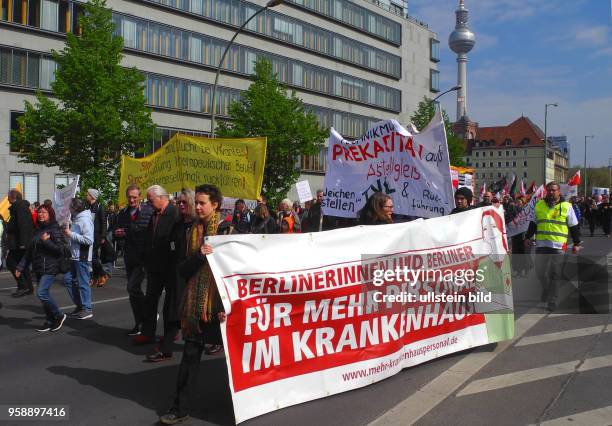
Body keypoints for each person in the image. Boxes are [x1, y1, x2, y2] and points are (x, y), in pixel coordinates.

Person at [159, 184, 226, 425]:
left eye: (202, 203)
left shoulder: (227, 230)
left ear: (215, 205)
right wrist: (200, 255)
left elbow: (233, 273)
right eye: (196, 202)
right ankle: (180, 407)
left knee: (237, 359)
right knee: (189, 357)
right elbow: (183, 269)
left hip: (221, 308)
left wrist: (223, 306)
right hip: (195, 308)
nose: (197, 207)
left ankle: (245, 402)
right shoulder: (192, 231)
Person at [146, 189, 196, 362]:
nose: (181, 205)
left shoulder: (199, 225)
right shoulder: (178, 224)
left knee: (199, 315)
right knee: (171, 310)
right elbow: (171, 246)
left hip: (196, 275)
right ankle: (166, 348)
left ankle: (217, 341)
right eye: (179, 202)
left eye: (184, 202)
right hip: (177, 273)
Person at [524, 182, 581, 311]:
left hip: (558, 247)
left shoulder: (567, 206)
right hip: (542, 245)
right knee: (539, 272)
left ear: (559, 191)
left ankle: (552, 301)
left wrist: (577, 243)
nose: (550, 192)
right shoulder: (539, 205)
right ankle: (546, 288)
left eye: (553, 190)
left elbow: (574, 226)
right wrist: (527, 237)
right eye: (548, 190)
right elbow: (533, 224)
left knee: (555, 274)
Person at [135, 185, 181, 345]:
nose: (148, 203)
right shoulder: (154, 214)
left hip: (169, 265)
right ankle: (148, 332)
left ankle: (171, 333)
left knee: (170, 303)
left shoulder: (175, 213)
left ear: (161, 197)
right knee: (150, 300)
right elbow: (150, 238)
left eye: (151, 200)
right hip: (154, 266)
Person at [16, 205, 67, 332]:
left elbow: (61, 250)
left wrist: (47, 242)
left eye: (44, 212)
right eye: (39, 212)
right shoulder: (38, 230)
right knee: (43, 295)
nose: (40, 214)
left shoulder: (54, 229)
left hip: (50, 267)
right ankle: (50, 320)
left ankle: (59, 315)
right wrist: (20, 267)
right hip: (39, 267)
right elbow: (29, 252)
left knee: (41, 292)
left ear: (50, 214)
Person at [114, 184, 154, 336]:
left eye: (134, 197)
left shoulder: (148, 211)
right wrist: (118, 233)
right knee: (133, 291)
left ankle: (146, 317)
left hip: (143, 257)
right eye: (129, 197)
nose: (132, 200)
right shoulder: (123, 213)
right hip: (129, 256)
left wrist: (129, 232)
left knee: (132, 287)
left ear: (140, 197)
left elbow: (149, 232)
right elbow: (118, 229)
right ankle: (140, 322)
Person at [63, 198, 95, 319]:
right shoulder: (77, 219)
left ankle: (87, 308)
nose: (68, 209)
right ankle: (80, 306)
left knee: (83, 283)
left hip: (82, 255)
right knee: (68, 279)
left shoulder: (85, 220)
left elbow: (88, 240)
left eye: (69, 207)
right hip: (75, 255)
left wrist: (71, 234)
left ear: (74, 208)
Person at [5, 189, 34, 297]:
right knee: (23, 265)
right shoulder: (19, 207)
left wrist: (23, 243)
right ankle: (29, 287)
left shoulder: (20, 207)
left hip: (19, 243)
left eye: (8, 196)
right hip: (18, 242)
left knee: (10, 262)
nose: (7, 198)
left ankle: (23, 286)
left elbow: (24, 225)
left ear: (13, 197)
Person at [85, 188, 108, 287]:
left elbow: (103, 222)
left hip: (97, 236)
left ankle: (103, 274)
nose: (86, 196)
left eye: (87, 194)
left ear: (92, 196)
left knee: (93, 257)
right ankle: (96, 277)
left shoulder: (100, 207)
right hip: (89, 235)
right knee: (92, 258)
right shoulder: (88, 207)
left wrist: (103, 236)